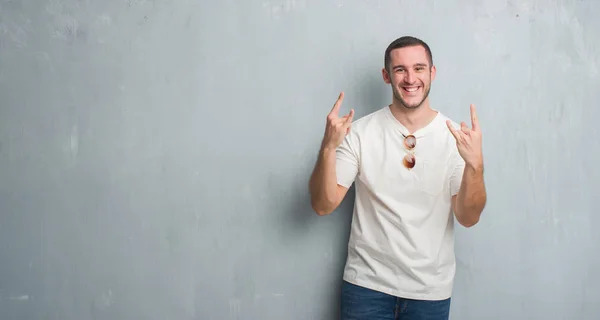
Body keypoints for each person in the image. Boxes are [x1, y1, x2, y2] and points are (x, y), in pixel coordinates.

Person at [308, 36, 487, 319]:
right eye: (400, 69)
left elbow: (468, 217)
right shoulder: (360, 132)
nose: (410, 78)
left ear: (432, 73)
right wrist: (328, 147)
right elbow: (322, 204)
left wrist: (475, 165)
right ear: (387, 76)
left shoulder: (455, 138)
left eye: (419, 68)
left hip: (429, 292)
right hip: (366, 286)